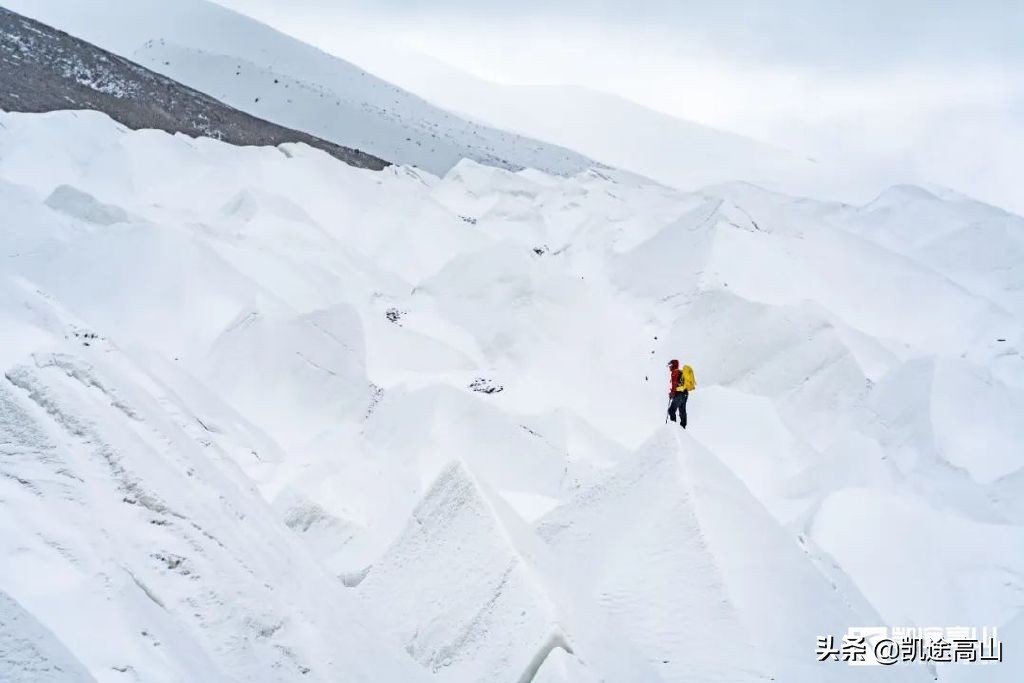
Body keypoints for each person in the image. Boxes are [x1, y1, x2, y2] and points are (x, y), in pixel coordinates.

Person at [666, 359, 692, 428]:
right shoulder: (680, 372)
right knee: (682, 410)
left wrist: (672, 394)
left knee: (671, 410)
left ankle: (673, 428)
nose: (669, 367)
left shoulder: (674, 372)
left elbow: (674, 385)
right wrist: (672, 392)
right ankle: (683, 428)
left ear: (673, 365)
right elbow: (678, 385)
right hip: (685, 394)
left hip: (679, 395)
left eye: (670, 365)